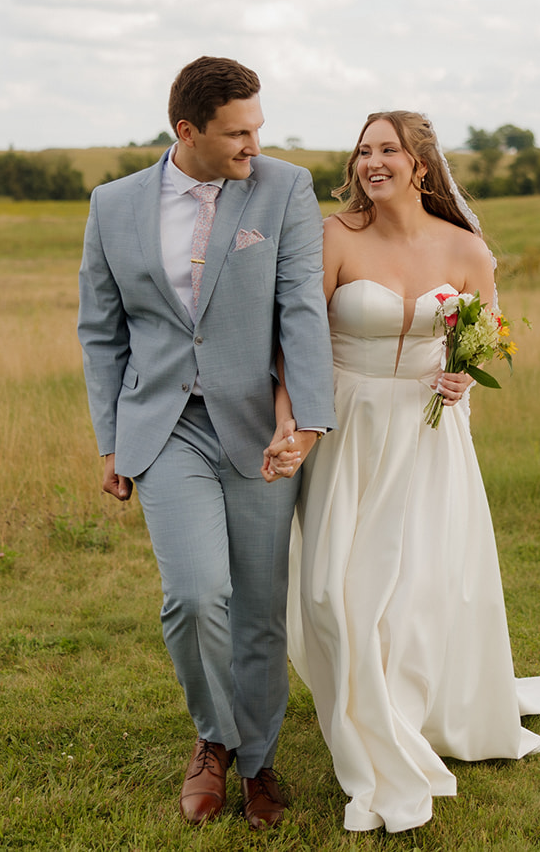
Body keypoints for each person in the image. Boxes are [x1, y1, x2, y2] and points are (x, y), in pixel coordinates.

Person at [276, 110, 540, 834]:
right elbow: (297, 339)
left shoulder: (467, 249)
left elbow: (488, 332)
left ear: (420, 165)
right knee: (332, 592)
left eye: (388, 150)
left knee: (421, 587)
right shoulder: (334, 237)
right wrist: (292, 420)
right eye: (364, 150)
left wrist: (464, 374)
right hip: (348, 425)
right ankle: (370, 721)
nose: (373, 162)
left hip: (430, 437)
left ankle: (404, 716)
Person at [76, 56, 336, 830]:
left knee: (258, 606)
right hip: (162, 427)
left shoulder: (283, 188)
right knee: (195, 596)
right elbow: (101, 330)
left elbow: (300, 309)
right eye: (238, 132)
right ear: (186, 130)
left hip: (258, 427)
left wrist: (309, 419)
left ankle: (258, 762)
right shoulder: (113, 204)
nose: (254, 144)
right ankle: (215, 739)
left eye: (258, 128)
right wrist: (109, 442)